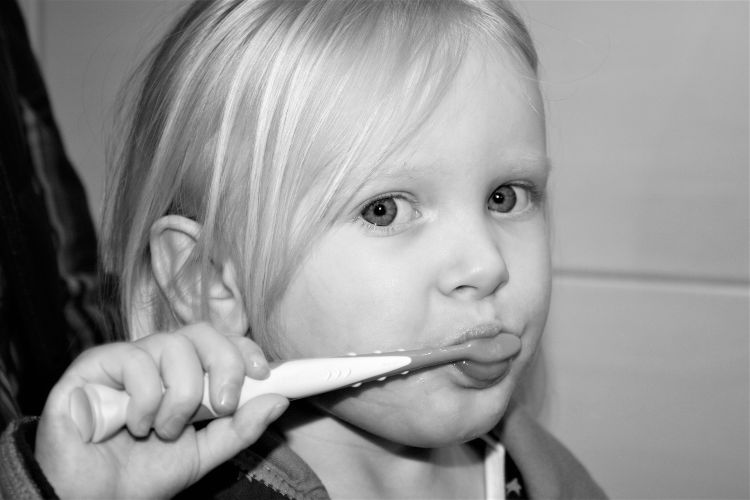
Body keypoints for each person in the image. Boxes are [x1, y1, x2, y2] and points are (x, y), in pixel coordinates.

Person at [1, 1, 607, 498]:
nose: (487, 265)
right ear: (208, 279)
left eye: (505, 197)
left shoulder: (539, 472)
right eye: (384, 209)